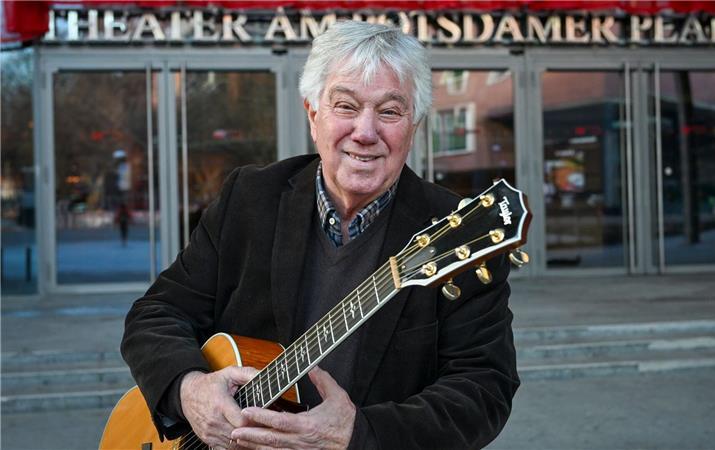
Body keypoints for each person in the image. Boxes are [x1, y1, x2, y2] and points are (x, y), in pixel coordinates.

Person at [121, 20, 519, 450]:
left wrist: (358, 435)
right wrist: (188, 388)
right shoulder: (250, 198)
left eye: (389, 111)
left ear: (414, 126)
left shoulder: (456, 234)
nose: (365, 133)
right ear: (313, 114)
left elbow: (484, 389)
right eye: (345, 106)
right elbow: (157, 312)